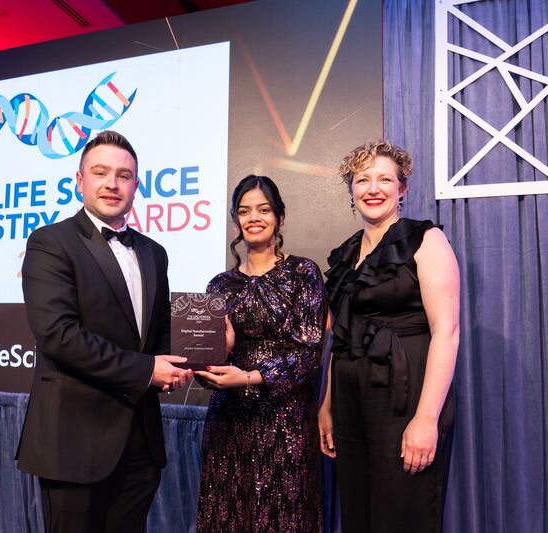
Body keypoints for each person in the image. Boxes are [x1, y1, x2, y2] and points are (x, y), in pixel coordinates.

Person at [15, 130, 192, 533]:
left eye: (124, 175)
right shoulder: (50, 242)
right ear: (80, 180)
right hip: (74, 443)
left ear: (136, 185)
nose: (113, 183)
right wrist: (148, 370)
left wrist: (192, 354)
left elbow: (158, 332)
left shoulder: (153, 252)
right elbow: (58, 335)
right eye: (100, 172)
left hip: (140, 444)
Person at [318, 140, 459, 533]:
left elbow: (446, 332)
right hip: (350, 402)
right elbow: (340, 339)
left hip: (406, 397)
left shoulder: (425, 240)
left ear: (403, 189)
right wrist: (328, 406)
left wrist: (426, 419)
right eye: (362, 180)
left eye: (384, 179)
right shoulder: (345, 256)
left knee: (403, 515)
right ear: (352, 191)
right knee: (359, 516)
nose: (373, 188)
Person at [195, 175, 325, 532]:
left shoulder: (302, 273)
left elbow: (308, 351)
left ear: (279, 217)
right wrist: (223, 351)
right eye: (244, 211)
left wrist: (252, 376)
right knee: (228, 514)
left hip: (285, 418)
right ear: (236, 221)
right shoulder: (219, 286)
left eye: (263, 209)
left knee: (283, 515)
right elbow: (207, 363)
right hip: (229, 420)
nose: (254, 217)